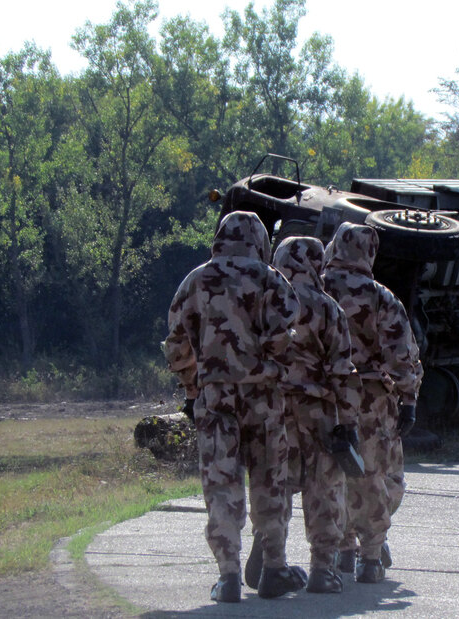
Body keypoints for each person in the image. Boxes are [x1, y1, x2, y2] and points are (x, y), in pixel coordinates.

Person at [163, 210, 306, 603]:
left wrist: (193, 387)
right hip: (263, 398)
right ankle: (274, 567)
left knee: (222, 483)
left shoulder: (196, 279)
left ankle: (227, 576)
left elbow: (176, 343)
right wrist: (267, 366)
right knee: (269, 480)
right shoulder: (271, 278)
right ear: (259, 240)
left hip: (216, 398)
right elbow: (287, 338)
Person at [321, 222, 423, 584]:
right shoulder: (381, 296)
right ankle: (371, 555)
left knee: (332, 474)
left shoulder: (314, 289)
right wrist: (408, 398)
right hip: (371, 399)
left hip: (326, 397)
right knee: (377, 475)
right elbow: (402, 354)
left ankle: (344, 548)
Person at [263, 235, 361, 594]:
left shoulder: (267, 300)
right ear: (316, 263)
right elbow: (342, 370)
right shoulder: (327, 307)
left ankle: (271, 554)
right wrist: (348, 421)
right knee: (323, 486)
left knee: (275, 480)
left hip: (271, 406)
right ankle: (322, 567)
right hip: (317, 410)